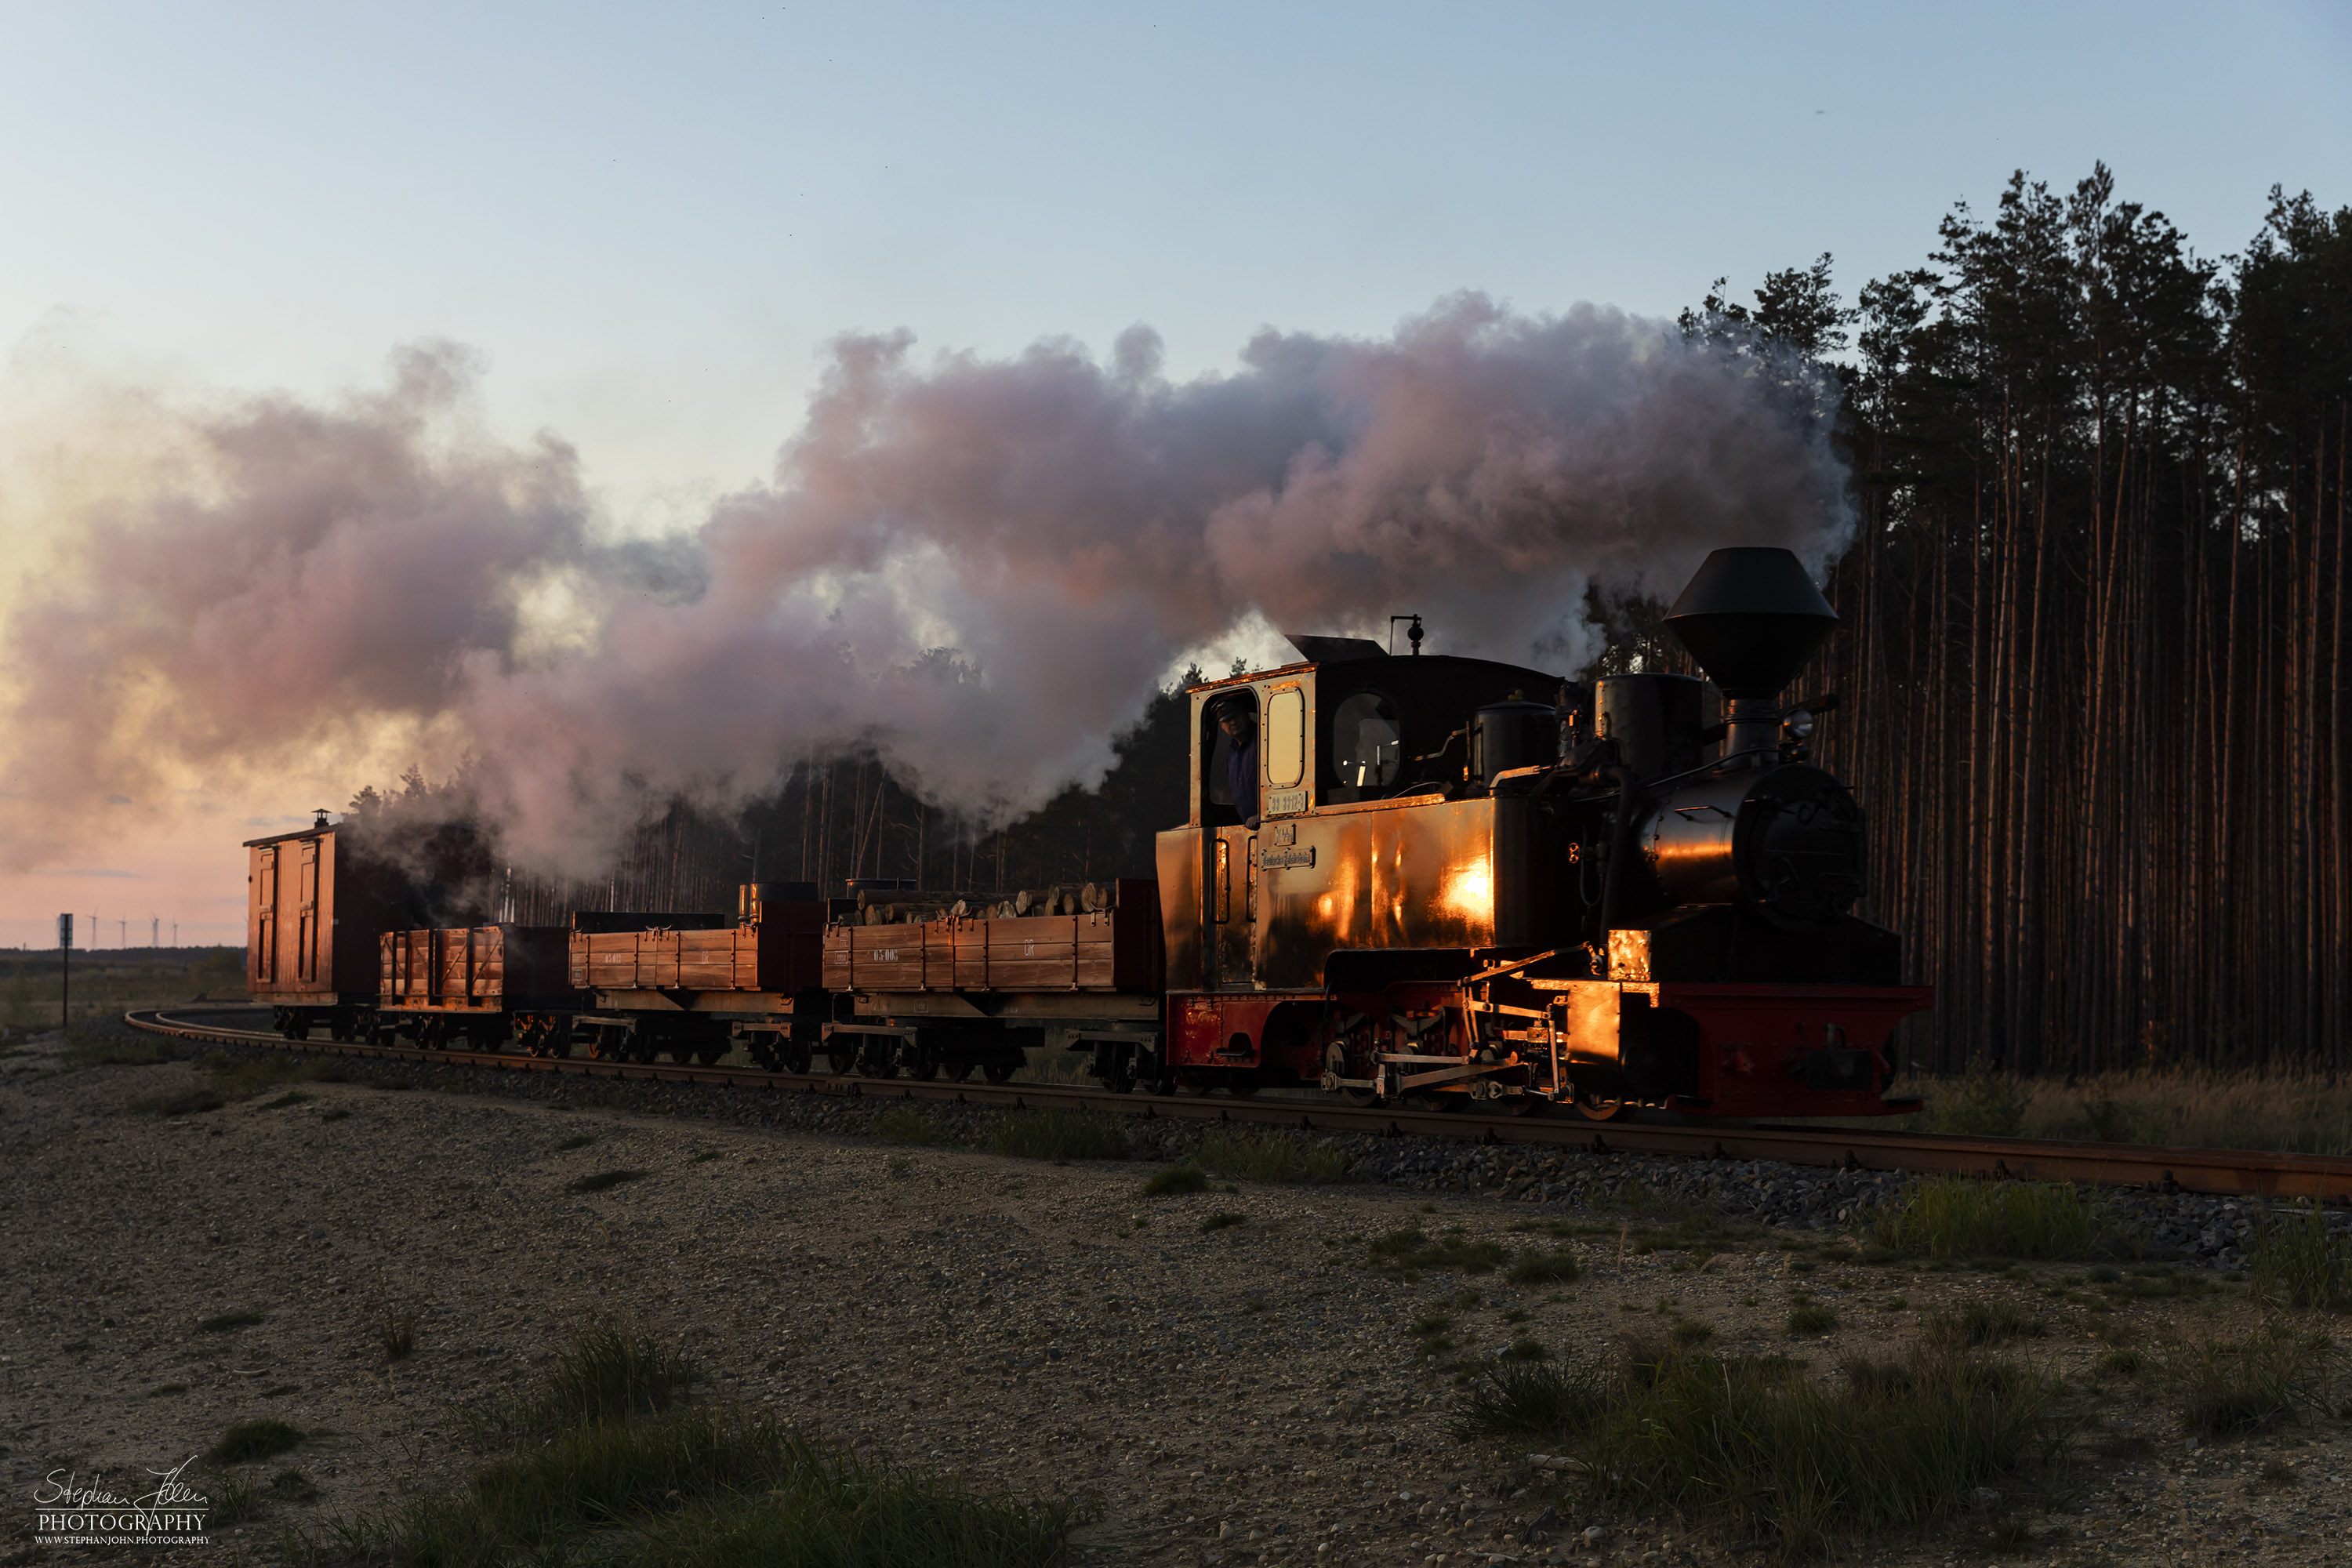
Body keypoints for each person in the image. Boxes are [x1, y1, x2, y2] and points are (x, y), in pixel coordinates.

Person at [1218, 702, 1259, 829]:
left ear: (1246, 714)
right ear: (1221, 726)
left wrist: (1264, 814)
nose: (1233, 722)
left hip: (1268, 822)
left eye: (1236, 716)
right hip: (1248, 829)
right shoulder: (1232, 753)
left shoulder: (1264, 738)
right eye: (1227, 720)